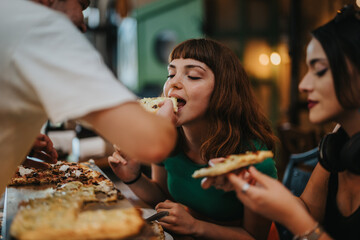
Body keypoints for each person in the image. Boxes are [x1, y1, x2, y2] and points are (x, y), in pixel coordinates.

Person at [203, 5, 360, 240]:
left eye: (319, 70)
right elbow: (308, 211)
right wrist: (256, 183)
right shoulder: (339, 143)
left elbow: (303, 221)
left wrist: (293, 217)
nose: (303, 85)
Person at [0, 0, 177, 194]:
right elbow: (152, 142)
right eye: (82, 4)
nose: (84, 26)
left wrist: (16, 142)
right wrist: (164, 115)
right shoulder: (39, 25)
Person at [109, 38, 278, 239]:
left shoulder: (254, 160)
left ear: (223, 91)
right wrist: (132, 177)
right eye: (170, 74)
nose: (173, 82)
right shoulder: (167, 138)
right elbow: (164, 197)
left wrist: (195, 226)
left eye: (193, 76)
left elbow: (255, 237)